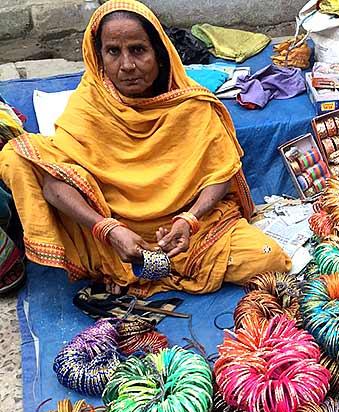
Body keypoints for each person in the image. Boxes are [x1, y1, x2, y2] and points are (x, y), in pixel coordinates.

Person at [0, 0, 291, 296]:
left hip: (189, 230)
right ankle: (125, 265)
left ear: (160, 54)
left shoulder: (191, 106)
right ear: (98, 56)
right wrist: (108, 230)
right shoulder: (90, 104)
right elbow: (53, 184)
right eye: (113, 52)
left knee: (268, 258)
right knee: (18, 156)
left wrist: (189, 219)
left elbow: (221, 173)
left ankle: (132, 273)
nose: (126, 65)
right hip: (111, 228)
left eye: (138, 50)